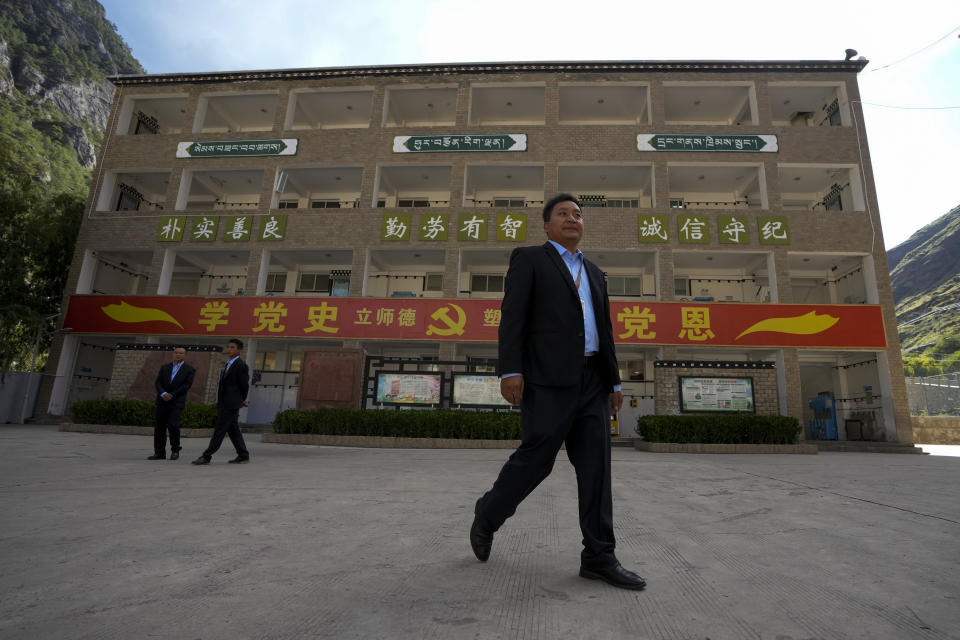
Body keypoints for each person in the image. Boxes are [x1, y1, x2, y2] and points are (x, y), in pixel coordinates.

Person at [470, 194, 646, 590]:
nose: (572, 219)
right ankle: (488, 515)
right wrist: (511, 370)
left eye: (578, 214)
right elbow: (512, 317)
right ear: (547, 225)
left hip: (593, 383)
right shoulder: (531, 259)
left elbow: (606, 330)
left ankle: (599, 557)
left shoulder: (596, 273)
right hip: (547, 380)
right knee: (536, 460)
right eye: (563, 214)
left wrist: (614, 380)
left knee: (597, 469)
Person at [192, 338, 250, 465]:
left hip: (231, 404)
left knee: (219, 430)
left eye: (232, 347)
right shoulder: (228, 364)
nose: (229, 349)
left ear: (239, 350)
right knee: (233, 430)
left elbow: (244, 385)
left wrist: (241, 400)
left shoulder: (241, 365)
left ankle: (206, 456)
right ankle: (243, 455)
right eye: (228, 347)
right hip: (225, 402)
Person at [149, 346, 195, 460]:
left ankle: (175, 450)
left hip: (176, 402)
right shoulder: (165, 367)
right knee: (159, 427)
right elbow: (158, 382)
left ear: (185, 355)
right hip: (162, 401)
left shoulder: (189, 369)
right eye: (176, 353)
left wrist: (172, 394)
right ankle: (159, 452)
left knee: (173, 425)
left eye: (181, 353)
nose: (178, 355)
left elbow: (186, 385)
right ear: (172, 354)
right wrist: (163, 393)